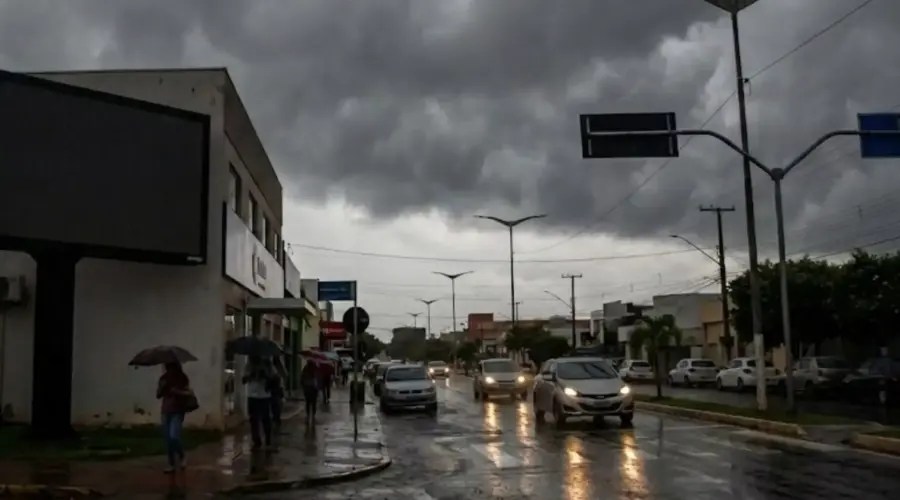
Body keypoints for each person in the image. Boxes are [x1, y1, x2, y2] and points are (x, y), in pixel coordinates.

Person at [156, 362, 191, 473]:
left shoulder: (182, 378)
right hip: (166, 411)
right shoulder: (163, 378)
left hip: (178, 411)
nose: (168, 369)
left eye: (170, 367)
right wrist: (162, 387)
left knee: (174, 436)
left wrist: (176, 391)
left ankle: (182, 456)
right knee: (168, 439)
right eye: (167, 367)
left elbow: (188, 393)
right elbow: (158, 395)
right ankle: (171, 464)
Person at [243, 356, 273, 450]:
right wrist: (250, 375)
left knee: (265, 419)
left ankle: (267, 438)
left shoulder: (267, 363)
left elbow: (272, 377)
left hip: (264, 396)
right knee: (254, 420)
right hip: (252, 395)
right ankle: (256, 441)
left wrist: (263, 373)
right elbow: (244, 380)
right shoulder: (249, 365)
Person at [300, 359, 319, 424]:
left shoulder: (305, 369)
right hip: (313, 388)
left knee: (308, 402)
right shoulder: (315, 369)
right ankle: (313, 414)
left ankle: (308, 414)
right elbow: (317, 378)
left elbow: (302, 378)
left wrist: (303, 385)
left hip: (307, 387)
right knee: (313, 402)